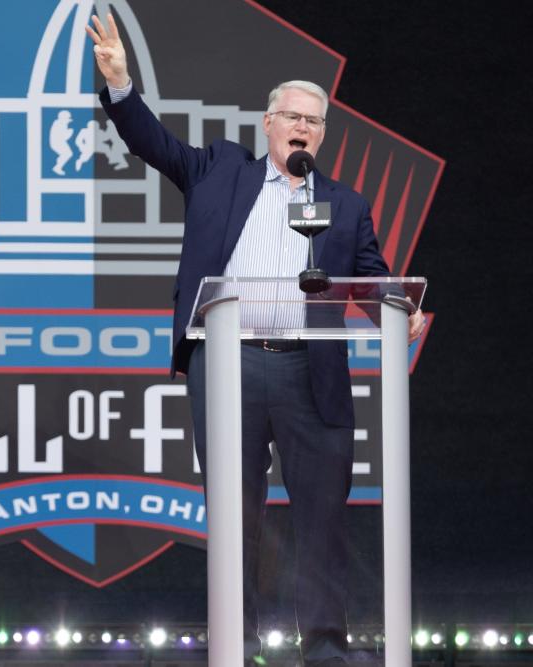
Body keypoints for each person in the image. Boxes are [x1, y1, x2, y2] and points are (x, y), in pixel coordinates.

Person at [86, 14, 424, 667]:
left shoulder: (345, 204)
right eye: (291, 115)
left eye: (314, 120)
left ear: (323, 133)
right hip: (231, 362)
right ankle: (237, 645)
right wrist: (122, 83)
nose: (302, 126)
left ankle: (325, 645)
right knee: (237, 518)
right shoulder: (219, 170)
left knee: (322, 518)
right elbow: (153, 142)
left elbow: (372, 279)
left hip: (311, 370)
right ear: (267, 123)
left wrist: (397, 309)